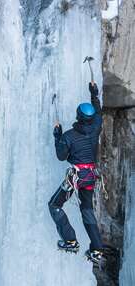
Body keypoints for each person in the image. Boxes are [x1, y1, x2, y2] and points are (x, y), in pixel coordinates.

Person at [48, 82, 104, 265]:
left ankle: (70, 240)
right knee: (87, 210)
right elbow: (98, 111)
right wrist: (94, 93)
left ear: (78, 116)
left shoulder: (69, 136)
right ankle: (96, 250)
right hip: (90, 177)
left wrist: (58, 136)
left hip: (76, 177)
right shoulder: (96, 127)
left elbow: (61, 156)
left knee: (55, 205)